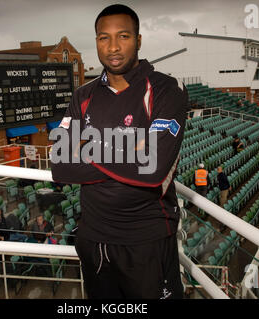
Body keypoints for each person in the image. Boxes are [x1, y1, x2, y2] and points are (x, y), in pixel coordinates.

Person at [50, 4, 188, 299]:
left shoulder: (166, 89)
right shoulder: (83, 95)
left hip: (146, 241)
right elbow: (60, 164)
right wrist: (131, 147)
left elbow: (152, 169)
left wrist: (89, 146)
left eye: (123, 36)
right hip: (92, 240)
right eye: (103, 38)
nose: (113, 47)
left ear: (138, 40)